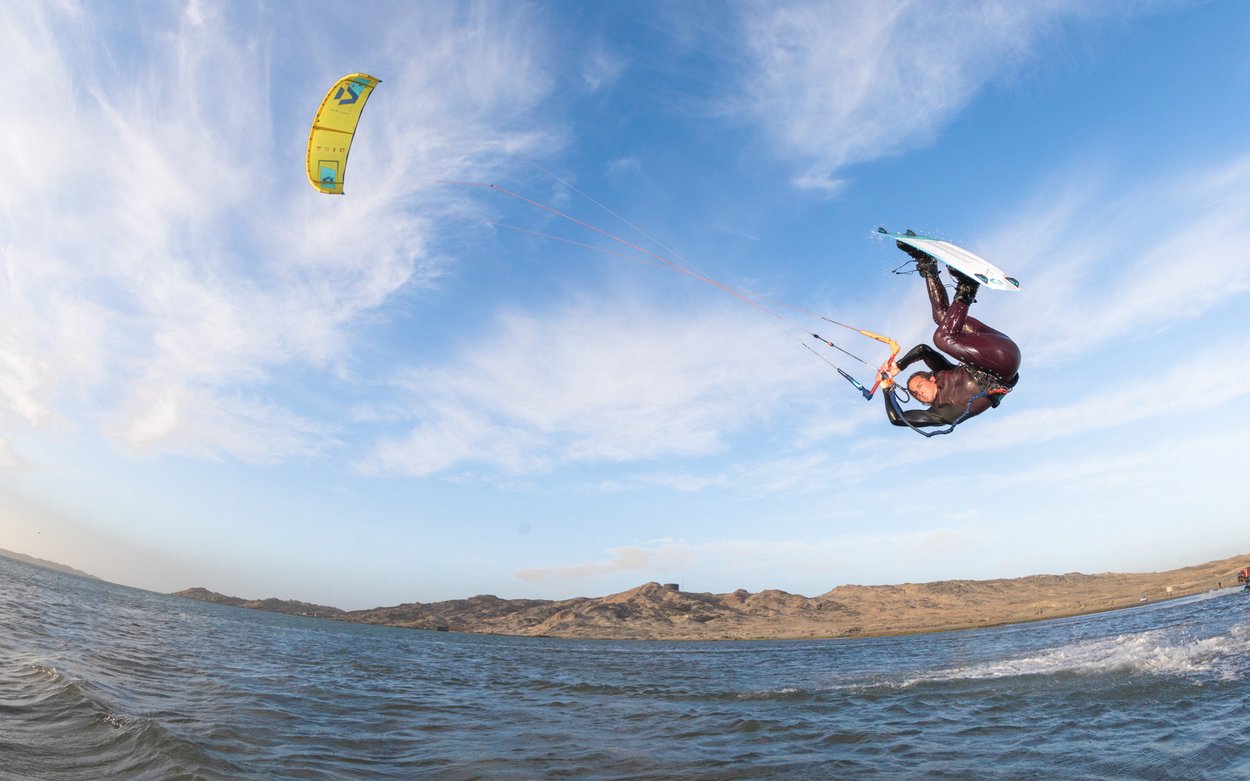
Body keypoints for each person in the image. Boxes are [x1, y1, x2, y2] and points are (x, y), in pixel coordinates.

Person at [884, 240, 1021, 430]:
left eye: (919, 387)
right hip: (1003, 363)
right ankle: (967, 287)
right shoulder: (940, 412)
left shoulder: (943, 372)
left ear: (932, 378)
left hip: (994, 346)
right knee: (943, 338)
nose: (918, 394)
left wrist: (898, 366)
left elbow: (923, 350)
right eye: (915, 394)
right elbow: (897, 419)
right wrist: (886, 390)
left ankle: (927, 265)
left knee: (942, 318)